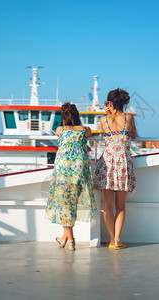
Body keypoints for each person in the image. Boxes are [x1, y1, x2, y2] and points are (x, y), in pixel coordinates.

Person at [45, 102, 96, 251]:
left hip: (62, 169)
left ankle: (71, 240)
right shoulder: (84, 130)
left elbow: (58, 133)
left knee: (64, 203)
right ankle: (64, 239)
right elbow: (89, 133)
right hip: (78, 170)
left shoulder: (60, 129)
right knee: (70, 201)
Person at [93, 88, 137, 250]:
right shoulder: (129, 118)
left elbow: (108, 127)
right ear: (124, 103)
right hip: (123, 163)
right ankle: (117, 240)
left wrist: (109, 114)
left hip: (108, 163)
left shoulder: (104, 120)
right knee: (121, 207)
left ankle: (111, 239)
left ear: (109, 103)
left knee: (108, 206)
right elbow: (134, 134)